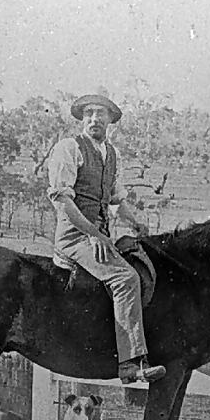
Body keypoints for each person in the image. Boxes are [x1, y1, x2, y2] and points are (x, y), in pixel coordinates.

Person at [47, 93, 165, 384]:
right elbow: (63, 201)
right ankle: (129, 365)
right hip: (75, 237)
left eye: (101, 114)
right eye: (88, 114)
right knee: (125, 279)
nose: (94, 119)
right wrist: (95, 234)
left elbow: (115, 199)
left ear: (111, 120)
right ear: (82, 119)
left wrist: (136, 222)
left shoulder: (112, 154)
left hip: (100, 236)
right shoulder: (68, 148)